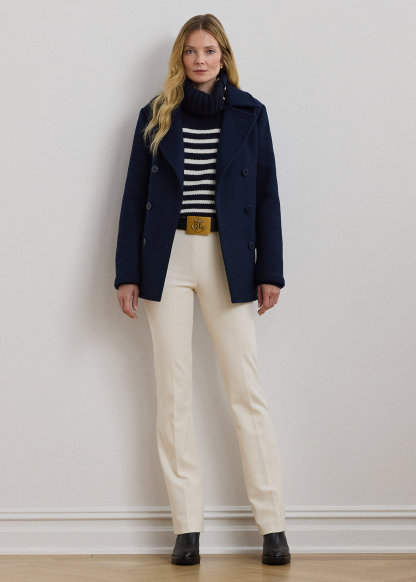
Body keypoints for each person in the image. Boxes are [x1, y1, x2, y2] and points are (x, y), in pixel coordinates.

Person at [114, 13, 291, 567]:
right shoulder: (156, 115)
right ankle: (186, 527)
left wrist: (270, 270)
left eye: (209, 50)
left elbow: (267, 194)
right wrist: (127, 272)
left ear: (223, 56)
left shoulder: (250, 113)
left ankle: (273, 525)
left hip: (227, 257)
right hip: (166, 258)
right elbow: (133, 197)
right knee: (173, 395)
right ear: (180, 58)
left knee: (246, 392)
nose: (200, 59)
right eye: (191, 51)